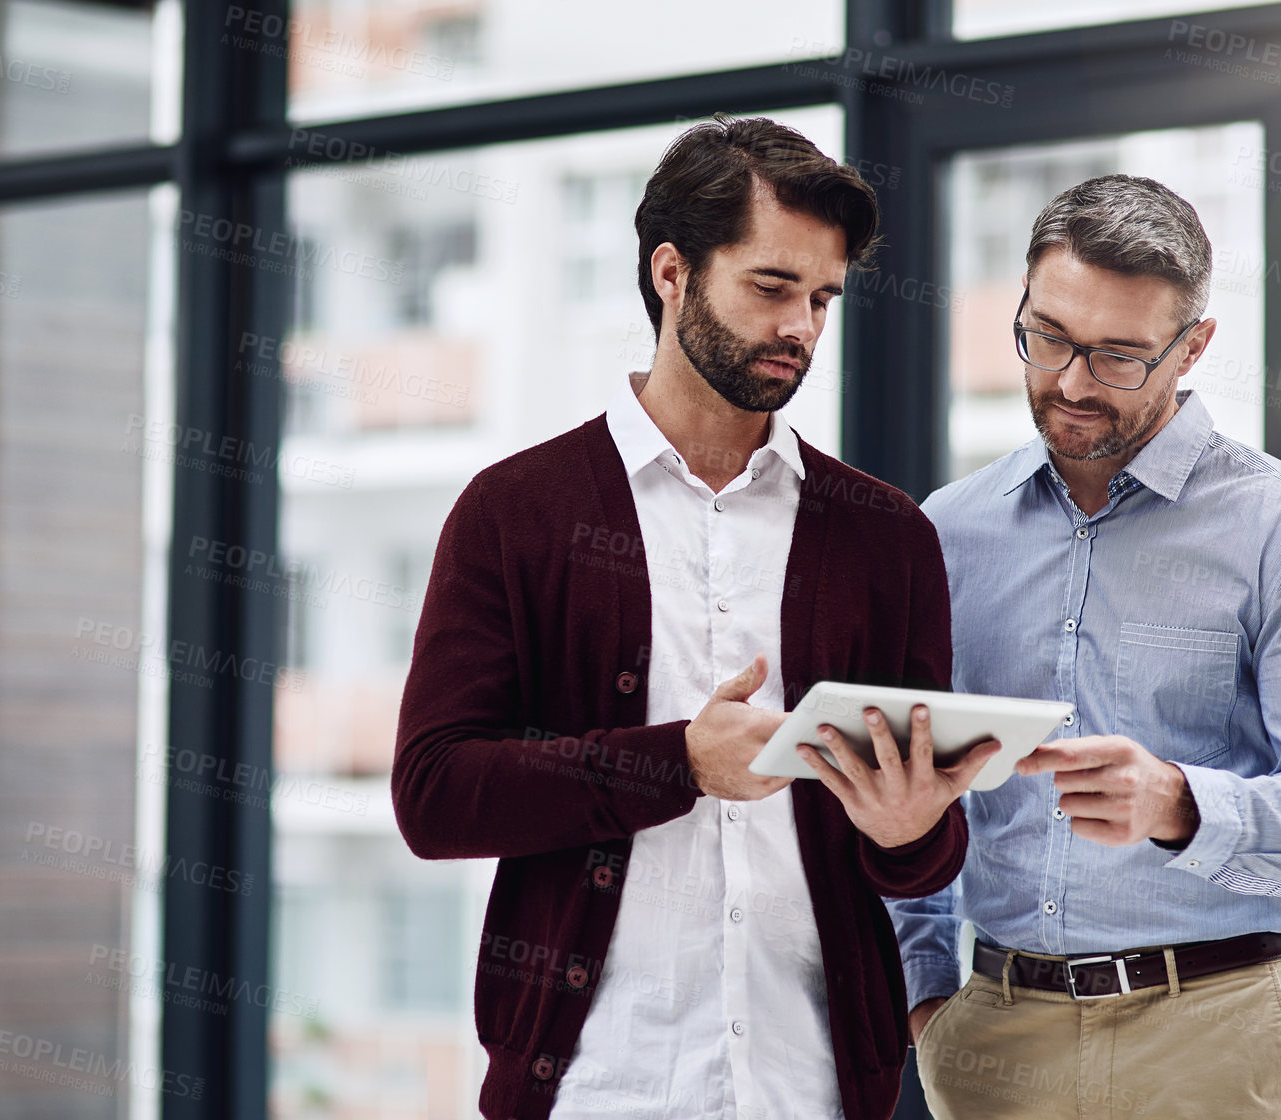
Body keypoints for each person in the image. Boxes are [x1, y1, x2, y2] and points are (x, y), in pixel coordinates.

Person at [392, 115, 997, 1120]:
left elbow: (922, 855)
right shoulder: (516, 513)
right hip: (592, 1087)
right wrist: (678, 761)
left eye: (821, 297)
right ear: (670, 273)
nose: (801, 325)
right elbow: (436, 793)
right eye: (770, 287)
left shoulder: (886, 538)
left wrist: (910, 830)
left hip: (811, 1088)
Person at [887, 174, 1281, 1118]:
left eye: (1120, 355)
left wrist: (1180, 806)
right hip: (994, 1040)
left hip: (1213, 1039)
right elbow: (911, 787)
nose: (1073, 383)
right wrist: (926, 990)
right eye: (1046, 337)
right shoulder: (946, 532)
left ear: (1194, 346)